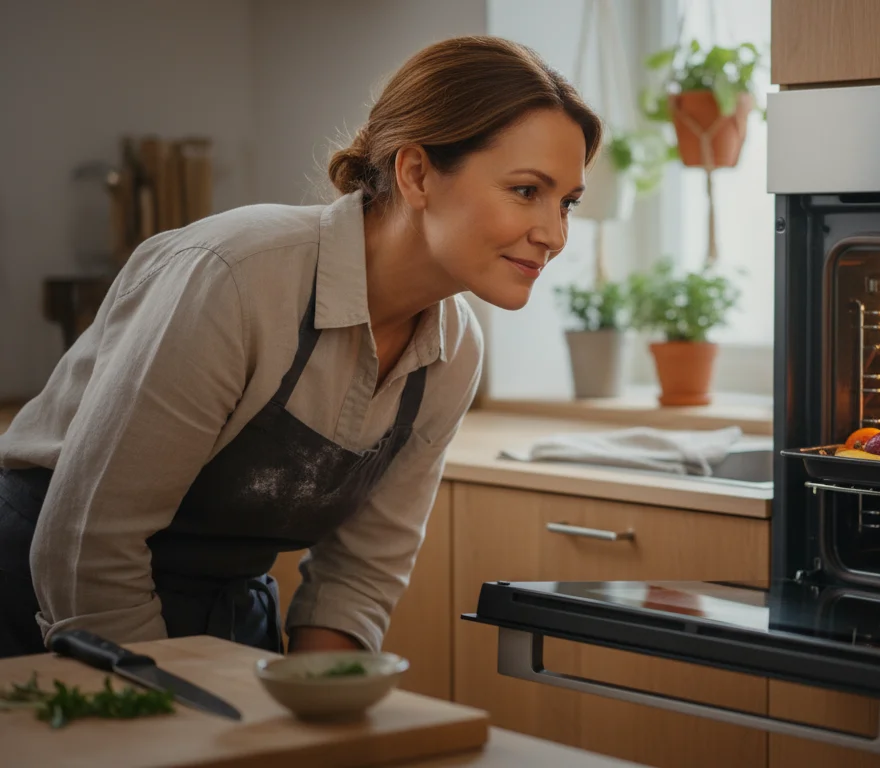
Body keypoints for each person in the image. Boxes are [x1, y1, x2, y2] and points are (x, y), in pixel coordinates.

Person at [0, 36, 600, 658]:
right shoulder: (238, 278)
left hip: (222, 618)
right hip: (45, 607)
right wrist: (167, 715)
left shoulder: (455, 352)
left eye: (568, 203)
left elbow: (358, 576)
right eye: (527, 191)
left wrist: (318, 715)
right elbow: (87, 545)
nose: (553, 234)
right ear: (417, 173)